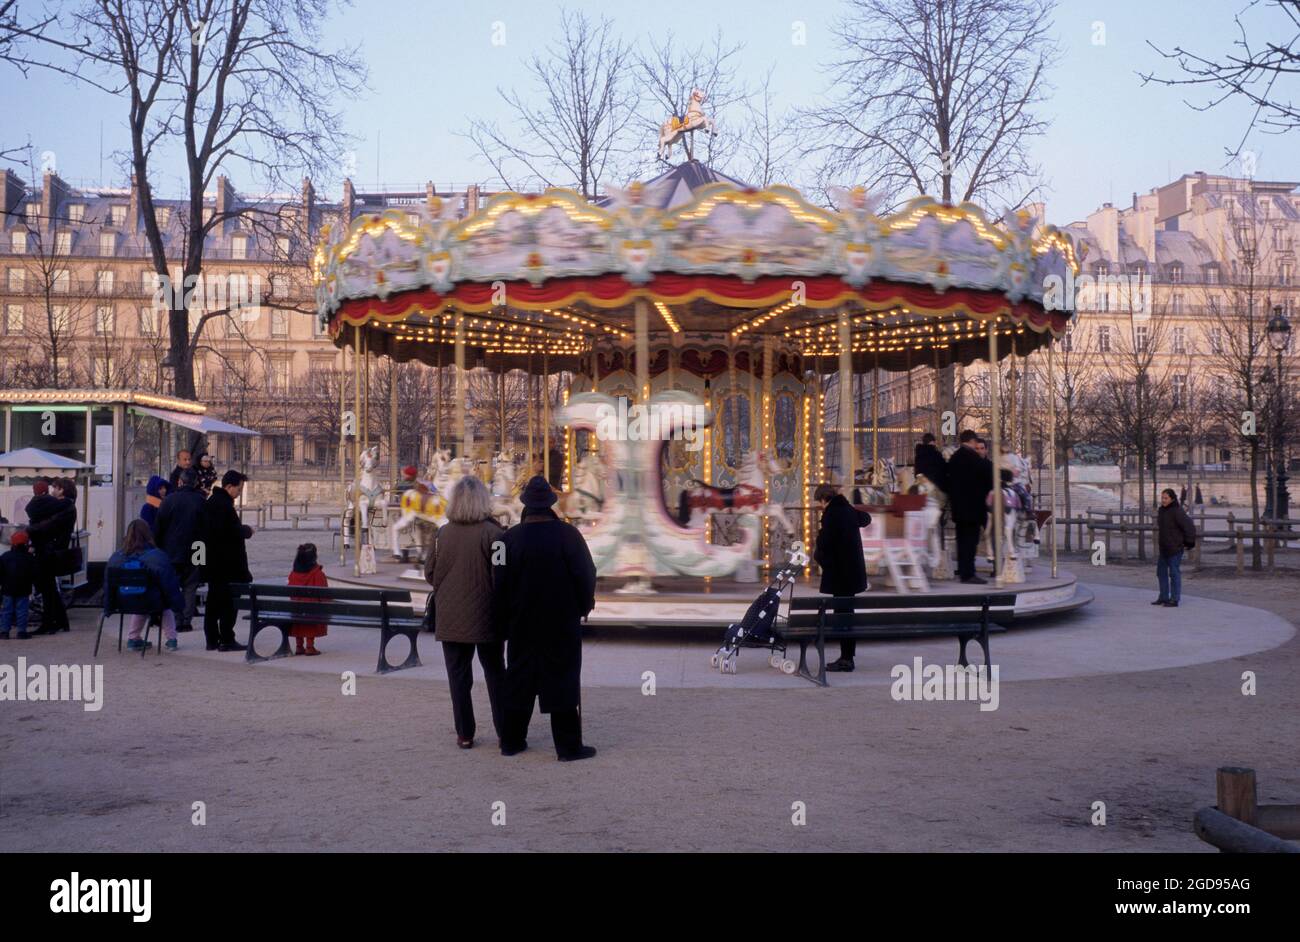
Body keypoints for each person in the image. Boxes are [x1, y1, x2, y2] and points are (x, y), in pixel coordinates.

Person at [494, 475, 597, 761]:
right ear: (551, 505)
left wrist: (503, 618)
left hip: (521, 622)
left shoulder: (506, 541)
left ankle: (511, 740)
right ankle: (567, 746)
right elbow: (587, 575)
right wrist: (583, 606)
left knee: (519, 679)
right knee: (562, 678)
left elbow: (498, 583)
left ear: (526, 505)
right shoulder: (569, 535)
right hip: (560, 621)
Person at [424, 475, 507, 749]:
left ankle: (465, 733)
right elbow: (502, 576)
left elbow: (429, 573)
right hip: (487, 616)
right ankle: (504, 729)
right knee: (495, 674)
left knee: (458, 678)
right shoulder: (495, 535)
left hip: (450, 616)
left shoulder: (441, 534)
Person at [813, 483, 871, 673]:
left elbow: (824, 543)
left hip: (840, 573)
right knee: (848, 612)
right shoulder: (847, 509)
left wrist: (820, 558)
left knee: (842, 615)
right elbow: (866, 518)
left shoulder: (831, 514)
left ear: (823, 499)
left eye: (820, 503)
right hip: (853, 573)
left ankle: (846, 659)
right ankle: (848, 656)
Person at [105, 519, 184, 651]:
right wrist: (178, 604)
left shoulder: (116, 557)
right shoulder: (157, 556)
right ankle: (171, 639)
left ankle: (133, 638)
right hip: (151, 601)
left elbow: (108, 584)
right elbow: (169, 584)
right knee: (162, 603)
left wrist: (109, 606)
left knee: (139, 598)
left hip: (123, 602)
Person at [200, 469, 253, 652]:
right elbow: (230, 533)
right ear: (229, 486)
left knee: (213, 602)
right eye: (238, 489)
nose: (239, 493)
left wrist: (199, 565)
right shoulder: (223, 506)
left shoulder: (211, 503)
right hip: (228, 566)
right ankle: (227, 639)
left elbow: (200, 537)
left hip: (213, 565)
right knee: (229, 604)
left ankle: (212, 639)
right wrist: (246, 530)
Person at [153, 468, 206, 633]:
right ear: (196, 483)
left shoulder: (168, 500)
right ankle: (186, 621)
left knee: (173, 585)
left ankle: (176, 618)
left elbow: (158, 528)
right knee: (191, 586)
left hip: (172, 549)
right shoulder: (201, 501)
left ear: (179, 482)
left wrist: (159, 547)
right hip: (197, 549)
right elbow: (207, 528)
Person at [26, 477, 76, 634]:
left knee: (48, 587)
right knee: (49, 588)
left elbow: (45, 522)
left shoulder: (63, 506)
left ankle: (51, 622)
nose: (52, 490)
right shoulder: (65, 506)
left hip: (50, 551)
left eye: (55, 487)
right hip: (53, 550)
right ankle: (59, 621)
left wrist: (31, 530)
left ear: (61, 489)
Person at [946, 430, 994, 584]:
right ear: (972, 441)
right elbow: (987, 473)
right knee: (970, 541)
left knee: (962, 540)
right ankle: (968, 574)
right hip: (972, 508)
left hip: (959, 507)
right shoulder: (971, 457)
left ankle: (963, 570)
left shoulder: (955, 457)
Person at [1154, 488, 1196, 608]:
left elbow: (1189, 526)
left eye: (1166, 498)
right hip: (1164, 548)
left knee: (1174, 573)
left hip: (1175, 548)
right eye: (1162, 498)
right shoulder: (1161, 511)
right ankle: (1163, 596)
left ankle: (1174, 599)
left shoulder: (1177, 511)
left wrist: (1189, 542)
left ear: (1172, 498)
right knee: (1161, 573)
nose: (1163, 500)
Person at [287, 543, 328, 656]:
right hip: (312, 611)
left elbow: (291, 593)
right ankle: (310, 646)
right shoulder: (317, 573)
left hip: (296, 610)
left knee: (298, 609)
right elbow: (324, 594)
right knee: (313, 608)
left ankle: (299, 646)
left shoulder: (293, 574)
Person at [0, 530, 36, 640]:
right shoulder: (30, 557)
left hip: (7, 588)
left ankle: (4, 632)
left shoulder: (5, 556)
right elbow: (34, 573)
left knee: (6, 610)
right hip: (24, 588)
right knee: (22, 610)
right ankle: (21, 632)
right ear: (26, 543)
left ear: (12, 543)